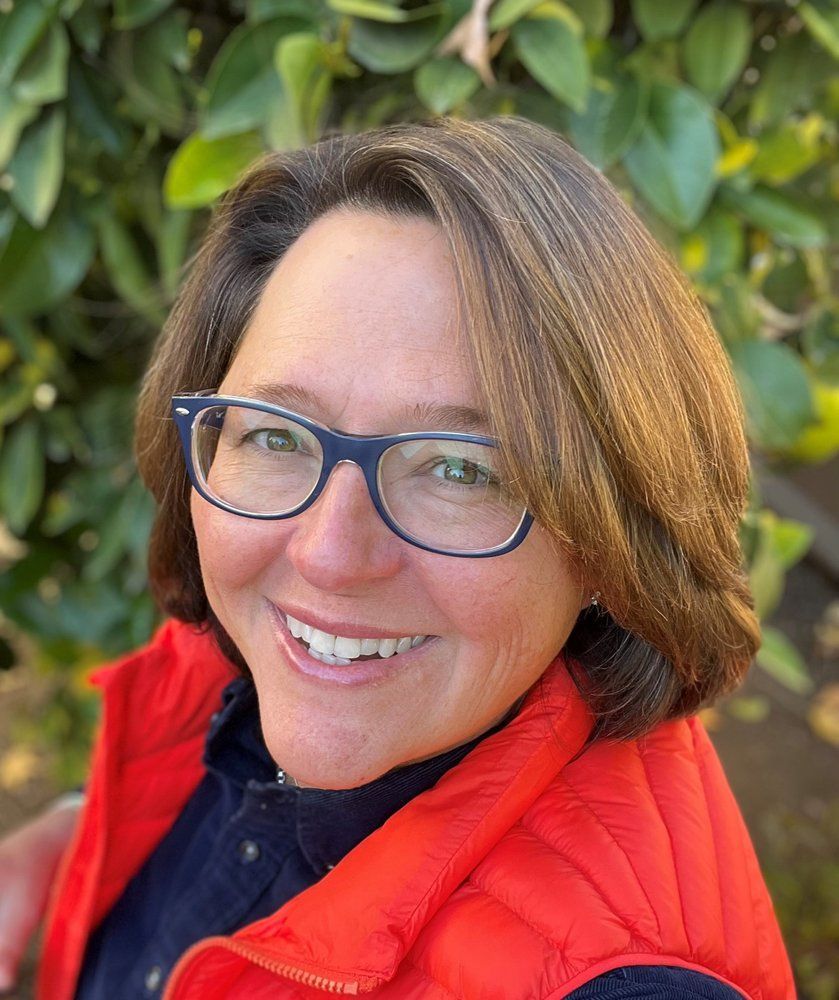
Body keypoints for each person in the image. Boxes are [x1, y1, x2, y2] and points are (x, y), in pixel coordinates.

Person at [0, 117, 794, 1000]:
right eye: (275, 434)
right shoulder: (240, 656)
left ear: (611, 540)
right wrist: (81, 836)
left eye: (459, 470)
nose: (328, 554)